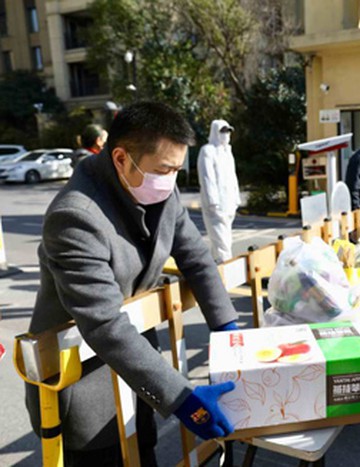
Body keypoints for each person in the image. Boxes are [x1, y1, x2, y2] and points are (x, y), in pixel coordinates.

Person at [26, 102, 240, 466]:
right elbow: (104, 323)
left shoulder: (157, 188)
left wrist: (228, 329)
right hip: (88, 383)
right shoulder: (74, 217)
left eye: (176, 169)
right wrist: (184, 398)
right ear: (122, 157)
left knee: (145, 451)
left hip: (139, 371)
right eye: (163, 169)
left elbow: (196, 258)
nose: (171, 180)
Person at [197, 120, 241, 263]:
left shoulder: (228, 152)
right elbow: (206, 178)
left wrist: (236, 198)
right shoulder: (207, 151)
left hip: (229, 205)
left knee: (224, 241)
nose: (226, 134)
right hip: (216, 206)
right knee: (222, 244)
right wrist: (212, 203)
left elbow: (233, 177)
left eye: (228, 131)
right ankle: (225, 272)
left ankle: (215, 269)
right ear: (215, 132)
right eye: (223, 131)